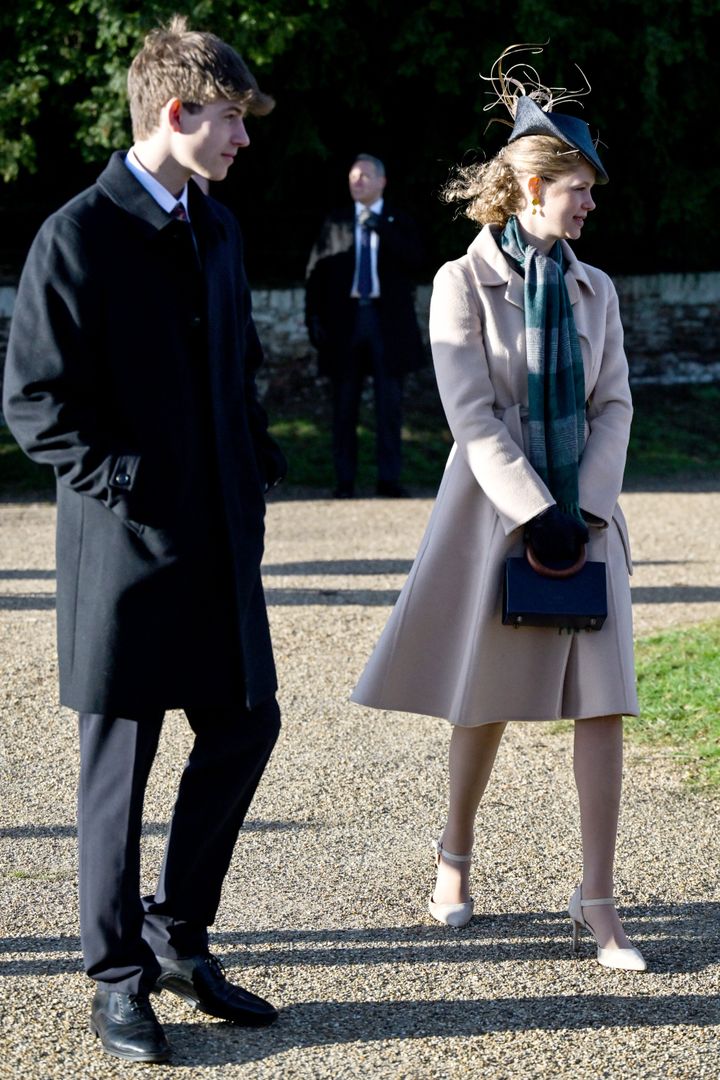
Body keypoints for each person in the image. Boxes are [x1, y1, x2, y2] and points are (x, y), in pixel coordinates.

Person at [3, 15, 288, 1064]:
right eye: (231, 119)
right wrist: (129, 479)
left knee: (247, 723)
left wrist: (253, 456)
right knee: (118, 767)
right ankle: (116, 978)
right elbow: (34, 403)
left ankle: (178, 935)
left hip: (220, 542)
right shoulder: (76, 236)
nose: (243, 139)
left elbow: (239, 363)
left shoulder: (218, 228)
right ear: (177, 112)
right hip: (125, 552)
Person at [352, 46, 647, 972]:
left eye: (591, 191)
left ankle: (597, 902)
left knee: (604, 703)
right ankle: (454, 854)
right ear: (531, 186)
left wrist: (583, 505)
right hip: (493, 516)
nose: (590, 205)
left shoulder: (599, 289)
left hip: (587, 522)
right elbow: (472, 413)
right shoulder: (458, 282)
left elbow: (615, 404)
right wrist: (533, 506)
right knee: (480, 699)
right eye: (579, 190)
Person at [305, 153, 425, 498]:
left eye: (364, 176)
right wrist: (313, 318)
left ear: (382, 182)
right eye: (353, 176)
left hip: (387, 324)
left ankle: (389, 479)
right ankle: (344, 481)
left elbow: (416, 260)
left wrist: (381, 228)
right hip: (345, 324)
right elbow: (315, 272)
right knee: (344, 405)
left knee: (389, 405)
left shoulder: (398, 220)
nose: (356, 181)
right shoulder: (337, 222)